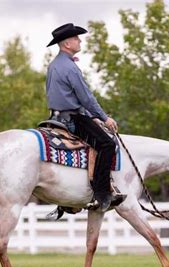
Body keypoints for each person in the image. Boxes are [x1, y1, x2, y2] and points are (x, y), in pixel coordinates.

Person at [46, 23, 121, 212]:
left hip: (55, 117)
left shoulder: (54, 65)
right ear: (67, 44)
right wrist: (104, 118)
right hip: (73, 120)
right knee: (107, 144)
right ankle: (102, 193)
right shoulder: (70, 68)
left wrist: (91, 117)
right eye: (76, 38)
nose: (79, 41)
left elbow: (66, 97)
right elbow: (86, 97)